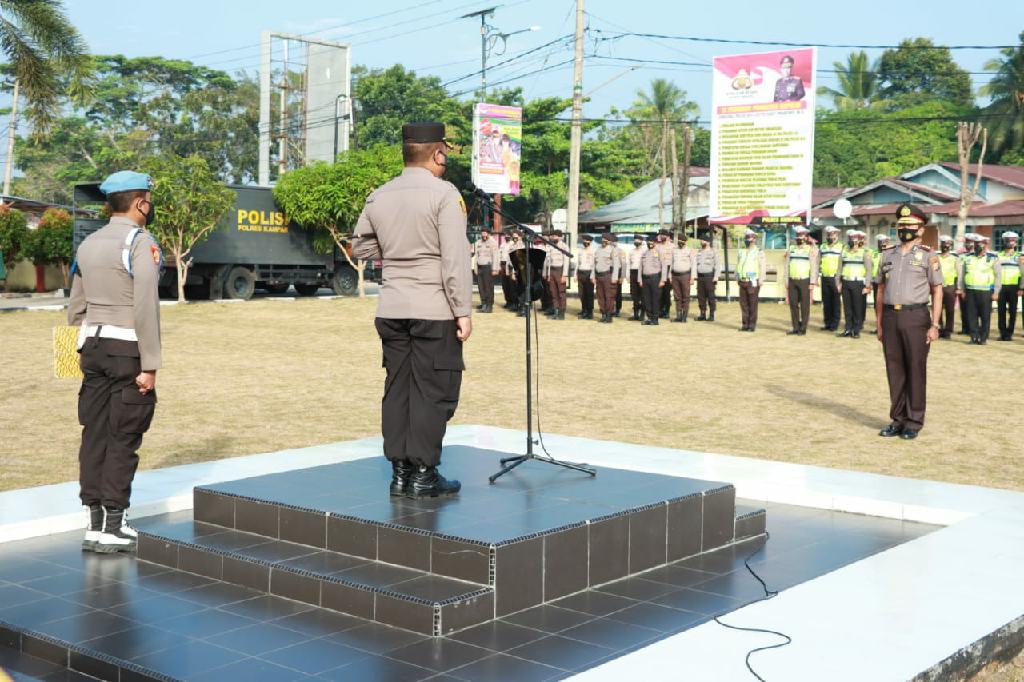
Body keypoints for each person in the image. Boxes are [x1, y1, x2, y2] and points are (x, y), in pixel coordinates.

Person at [352, 122, 469, 498]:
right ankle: (423, 474)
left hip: (392, 307)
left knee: (398, 388)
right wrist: (462, 310)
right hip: (433, 308)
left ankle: (399, 473)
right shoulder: (445, 194)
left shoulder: (379, 195)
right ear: (437, 153)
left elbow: (361, 248)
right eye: (445, 154)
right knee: (433, 391)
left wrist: (398, 254)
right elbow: (454, 258)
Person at [67, 170, 162, 553]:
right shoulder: (139, 242)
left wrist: (71, 354)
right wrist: (150, 364)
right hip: (127, 352)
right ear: (140, 202)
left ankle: (93, 524)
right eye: (149, 200)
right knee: (124, 436)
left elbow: (75, 304)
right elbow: (145, 305)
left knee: (94, 434)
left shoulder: (88, 243)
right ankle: (114, 525)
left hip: (92, 347)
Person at [874, 204, 943, 440]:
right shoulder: (887, 254)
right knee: (894, 370)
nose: (905, 229)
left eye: (910, 226)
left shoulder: (928, 255)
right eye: (901, 225)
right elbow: (881, 290)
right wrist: (880, 322)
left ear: (921, 230)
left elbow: (937, 290)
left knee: (915, 368)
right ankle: (897, 419)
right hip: (891, 317)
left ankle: (914, 421)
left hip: (916, 317)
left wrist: (934, 324)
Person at [958, 234, 1000, 345]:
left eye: (981, 244)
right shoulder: (967, 257)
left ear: (986, 245)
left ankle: (983, 338)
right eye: (976, 244)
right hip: (971, 290)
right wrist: (962, 289)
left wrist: (996, 292)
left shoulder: (992, 258)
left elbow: (998, 276)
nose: (978, 246)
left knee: (985, 315)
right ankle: (973, 337)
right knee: (971, 315)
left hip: (986, 291)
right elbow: (962, 275)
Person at [837, 229, 872, 338]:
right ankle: (848, 329)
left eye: (854, 239)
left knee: (857, 308)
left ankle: (856, 330)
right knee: (847, 308)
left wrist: (867, 285)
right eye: (850, 239)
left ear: (858, 241)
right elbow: (839, 268)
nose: (852, 241)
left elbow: (869, 270)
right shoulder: (844, 252)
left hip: (858, 283)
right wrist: (838, 282)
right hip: (846, 282)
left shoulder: (864, 252)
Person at [783, 226, 818, 335]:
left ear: (805, 237)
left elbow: (814, 267)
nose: (799, 238)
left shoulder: (810, 249)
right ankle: (795, 327)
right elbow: (786, 265)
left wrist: (812, 282)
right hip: (792, 280)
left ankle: (803, 328)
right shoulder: (791, 249)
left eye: (801, 235)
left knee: (804, 305)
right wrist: (786, 280)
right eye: (797, 235)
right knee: (793, 304)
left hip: (804, 281)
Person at [736, 229, 767, 332]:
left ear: (754, 239)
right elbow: (738, 265)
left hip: (753, 281)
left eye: (749, 237)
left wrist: (761, 280)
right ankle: (745, 325)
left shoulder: (759, 252)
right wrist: (737, 277)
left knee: (752, 304)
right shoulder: (742, 252)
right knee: (743, 304)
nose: (747, 240)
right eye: (746, 237)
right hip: (742, 280)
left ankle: (752, 325)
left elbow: (762, 266)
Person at [995, 231, 1020, 341]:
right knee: (1001, 311)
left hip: (1014, 287)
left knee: (1013, 311)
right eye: (1007, 240)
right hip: (1001, 287)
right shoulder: (997, 256)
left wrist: (1021, 287)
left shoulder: (1020, 256)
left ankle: (1009, 333)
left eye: (1012, 241)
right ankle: (1002, 333)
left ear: (1016, 243)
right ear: (1004, 242)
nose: (1010, 243)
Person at [638, 235, 668, 325]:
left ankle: (655, 319)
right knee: (646, 300)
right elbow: (640, 267)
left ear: (655, 242)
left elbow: (664, 266)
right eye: (648, 241)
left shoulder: (659, 252)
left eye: (651, 241)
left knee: (655, 299)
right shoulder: (645, 253)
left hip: (655, 278)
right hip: (645, 279)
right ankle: (649, 318)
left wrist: (663, 280)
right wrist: (640, 279)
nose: (650, 243)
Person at [819, 226, 843, 331]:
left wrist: (840, 280)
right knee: (826, 301)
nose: (830, 236)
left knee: (836, 302)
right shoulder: (822, 246)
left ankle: (835, 324)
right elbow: (818, 261)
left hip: (835, 278)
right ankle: (827, 323)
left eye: (832, 234)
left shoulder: (842, 247)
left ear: (837, 235)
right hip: (825, 277)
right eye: (828, 234)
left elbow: (843, 264)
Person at [542, 230, 570, 320]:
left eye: (555, 236)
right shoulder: (551, 247)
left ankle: (561, 313)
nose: (553, 238)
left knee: (561, 293)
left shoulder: (564, 247)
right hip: (552, 271)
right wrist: (549, 274)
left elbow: (566, 261)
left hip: (560, 270)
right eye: (552, 236)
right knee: (553, 292)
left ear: (560, 237)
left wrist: (564, 275)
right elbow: (549, 262)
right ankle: (556, 311)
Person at [669, 234, 696, 323]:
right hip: (675, 276)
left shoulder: (689, 251)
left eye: (682, 241)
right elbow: (671, 263)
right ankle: (678, 316)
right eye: (679, 241)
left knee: (685, 296)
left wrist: (692, 278)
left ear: (685, 242)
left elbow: (693, 264)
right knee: (677, 296)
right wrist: (670, 276)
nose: (680, 242)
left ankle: (684, 316)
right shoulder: (674, 250)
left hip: (685, 276)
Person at [936, 235, 959, 339]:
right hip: (938, 287)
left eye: (948, 244)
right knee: (938, 309)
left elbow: (958, 274)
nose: (945, 246)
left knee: (950, 310)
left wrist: (958, 287)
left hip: (950, 287)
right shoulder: (935, 258)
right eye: (944, 244)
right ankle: (939, 329)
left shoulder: (955, 258)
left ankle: (948, 331)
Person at [694, 233, 721, 321]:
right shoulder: (699, 252)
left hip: (710, 277)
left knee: (711, 296)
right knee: (700, 296)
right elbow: (695, 264)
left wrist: (716, 276)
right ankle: (702, 314)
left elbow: (717, 265)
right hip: (700, 277)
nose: (702, 242)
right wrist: (694, 276)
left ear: (708, 242)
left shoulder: (714, 252)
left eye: (703, 240)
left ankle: (711, 314)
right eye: (701, 240)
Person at [594, 233, 619, 323]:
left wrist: (614, 277)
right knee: (600, 296)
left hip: (607, 276)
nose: (603, 241)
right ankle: (603, 314)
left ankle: (609, 316)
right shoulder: (598, 249)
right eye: (603, 239)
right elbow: (594, 264)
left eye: (606, 240)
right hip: (598, 276)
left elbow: (616, 264)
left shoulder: (612, 250)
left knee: (609, 297)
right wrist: (592, 276)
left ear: (609, 241)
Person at [473, 228, 500, 313]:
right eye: (482, 233)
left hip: (488, 267)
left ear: (488, 234)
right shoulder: (478, 242)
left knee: (488, 287)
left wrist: (495, 269)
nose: (483, 235)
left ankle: (489, 305)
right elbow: (476, 256)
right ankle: (483, 303)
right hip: (480, 267)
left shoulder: (493, 243)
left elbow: (496, 256)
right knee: (481, 287)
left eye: (485, 233)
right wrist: (475, 268)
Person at [576, 234, 597, 319]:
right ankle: (584, 310)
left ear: (590, 242)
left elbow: (594, 265)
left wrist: (593, 275)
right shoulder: (580, 251)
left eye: (586, 240)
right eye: (583, 240)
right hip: (581, 273)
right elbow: (578, 263)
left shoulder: (593, 251)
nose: (585, 242)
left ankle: (590, 312)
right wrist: (575, 274)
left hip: (589, 273)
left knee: (589, 294)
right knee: (581, 293)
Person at [656, 229, 674, 318]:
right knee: (659, 292)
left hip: (668, 269)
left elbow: (674, 261)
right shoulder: (657, 246)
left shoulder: (673, 247)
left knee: (667, 292)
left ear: (667, 237)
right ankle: (660, 310)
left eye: (663, 235)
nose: (661, 236)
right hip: (659, 269)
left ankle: (667, 311)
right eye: (660, 235)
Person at [628, 234, 645, 321]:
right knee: (634, 295)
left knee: (642, 294)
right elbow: (629, 264)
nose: (636, 242)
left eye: (638, 240)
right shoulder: (631, 251)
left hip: (641, 273)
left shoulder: (644, 251)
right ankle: (635, 314)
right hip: (633, 273)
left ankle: (642, 314)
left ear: (641, 242)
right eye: (635, 240)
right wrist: (628, 275)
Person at [614, 237, 628, 317]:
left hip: (618, 273)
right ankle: (610, 308)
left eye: (614, 241)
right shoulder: (608, 250)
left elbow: (623, 264)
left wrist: (622, 277)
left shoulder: (620, 251)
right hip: (609, 273)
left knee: (617, 293)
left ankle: (618, 309)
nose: (613, 242)